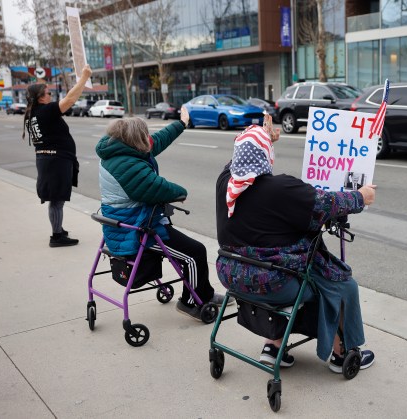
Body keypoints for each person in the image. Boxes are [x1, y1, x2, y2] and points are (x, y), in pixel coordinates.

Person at [215, 114, 377, 372]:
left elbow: (238, 159)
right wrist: (360, 196)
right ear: (265, 155)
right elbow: (327, 204)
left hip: (231, 275)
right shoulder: (280, 189)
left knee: (284, 266)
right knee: (339, 284)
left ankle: (273, 345)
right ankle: (341, 353)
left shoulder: (225, 182)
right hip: (274, 283)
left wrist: (265, 136)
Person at [95, 108, 231, 320]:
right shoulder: (128, 165)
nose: (148, 139)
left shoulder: (118, 151)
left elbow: (157, 140)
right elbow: (157, 187)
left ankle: (205, 293)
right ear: (135, 138)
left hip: (126, 224)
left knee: (188, 250)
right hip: (137, 232)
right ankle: (192, 302)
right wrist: (180, 193)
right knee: (195, 253)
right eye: (144, 135)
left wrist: (182, 123)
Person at [22, 64, 93, 247]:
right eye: (48, 94)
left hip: (49, 160)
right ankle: (56, 237)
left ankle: (58, 229)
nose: (51, 96)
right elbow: (70, 99)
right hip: (55, 162)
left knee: (56, 199)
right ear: (40, 98)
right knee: (57, 200)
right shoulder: (45, 111)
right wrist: (84, 78)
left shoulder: (33, 114)